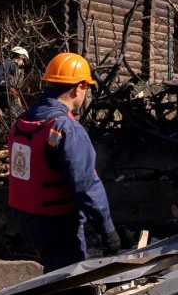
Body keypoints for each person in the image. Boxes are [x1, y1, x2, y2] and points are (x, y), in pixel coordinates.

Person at [7, 52, 120, 271]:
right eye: (86, 88)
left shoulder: (22, 121)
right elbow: (87, 186)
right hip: (56, 222)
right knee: (67, 283)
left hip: (26, 217)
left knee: (52, 268)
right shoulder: (67, 129)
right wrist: (108, 232)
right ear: (78, 88)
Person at [0, 47, 30, 116]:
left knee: (22, 115)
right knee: (22, 116)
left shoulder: (16, 69)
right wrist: (9, 88)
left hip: (11, 97)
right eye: (24, 61)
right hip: (5, 96)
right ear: (21, 57)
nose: (24, 64)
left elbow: (15, 83)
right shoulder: (7, 63)